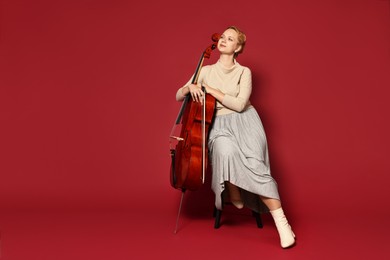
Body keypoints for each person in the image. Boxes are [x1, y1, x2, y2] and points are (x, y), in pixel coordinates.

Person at [175, 26, 296, 248]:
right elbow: (178, 94)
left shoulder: (244, 72)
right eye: (222, 37)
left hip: (246, 123)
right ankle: (233, 191)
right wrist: (190, 86)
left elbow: (240, 105)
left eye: (229, 39)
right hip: (217, 124)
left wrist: (210, 90)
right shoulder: (206, 69)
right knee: (224, 150)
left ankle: (282, 222)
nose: (223, 40)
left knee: (256, 167)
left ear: (237, 47)